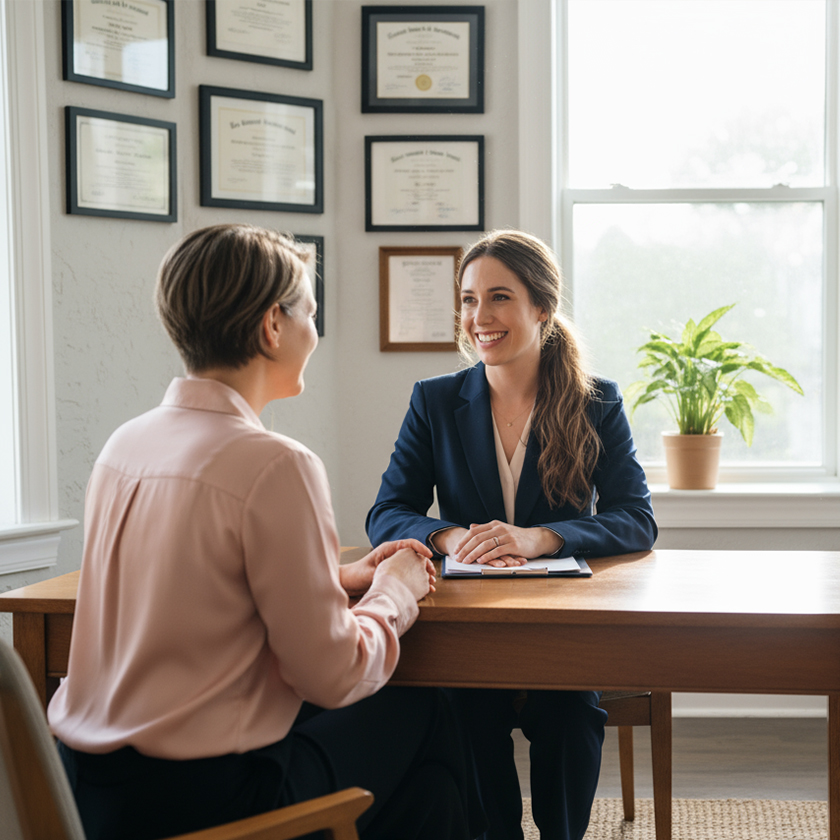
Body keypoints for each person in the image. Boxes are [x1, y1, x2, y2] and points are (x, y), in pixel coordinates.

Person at [48, 224, 484, 840]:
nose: (316, 330)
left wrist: (332, 577)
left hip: (93, 791)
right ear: (271, 327)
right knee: (422, 705)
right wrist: (395, 590)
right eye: (310, 311)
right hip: (210, 801)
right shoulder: (276, 464)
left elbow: (192, 581)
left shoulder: (127, 443)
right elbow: (332, 675)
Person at [366, 229, 658, 840]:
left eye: (498, 297)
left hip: (561, 624)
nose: (479, 317)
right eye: (469, 299)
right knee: (464, 712)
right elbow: (388, 511)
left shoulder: (596, 401)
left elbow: (636, 517)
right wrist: (448, 538)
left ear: (542, 309)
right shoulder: (434, 401)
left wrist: (542, 538)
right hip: (470, 621)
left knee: (570, 711)